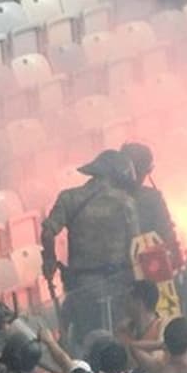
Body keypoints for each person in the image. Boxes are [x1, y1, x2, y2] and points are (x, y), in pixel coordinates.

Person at [40, 150, 140, 350]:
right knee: (122, 341)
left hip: (82, 287)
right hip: (120, 284)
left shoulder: (69, 198)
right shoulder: (126, 203)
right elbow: (136, 245)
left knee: (88, 343)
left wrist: (49, 261)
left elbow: (48, 232)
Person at [120, 142, 182, 269]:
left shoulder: (102, 199)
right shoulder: (152, 198)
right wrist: (177, 260)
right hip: (152, 273)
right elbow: (167, 234)